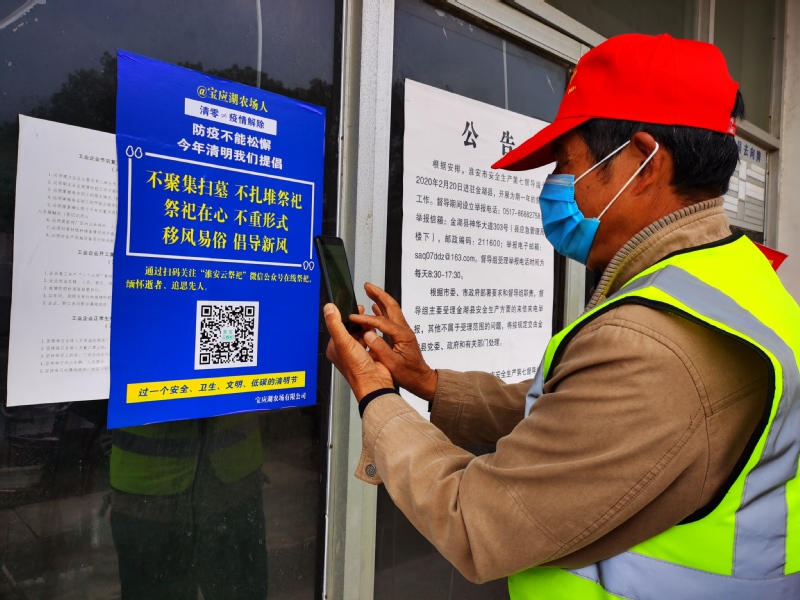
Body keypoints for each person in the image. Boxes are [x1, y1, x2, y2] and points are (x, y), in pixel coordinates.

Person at [324, 33, 800, 598]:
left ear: (643, 162)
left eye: (567, 166)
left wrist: (375, 396)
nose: (556, 189)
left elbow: (475, 521)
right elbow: (578, 414)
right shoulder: (738, 282)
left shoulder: (655, 342)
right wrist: (427, 382)